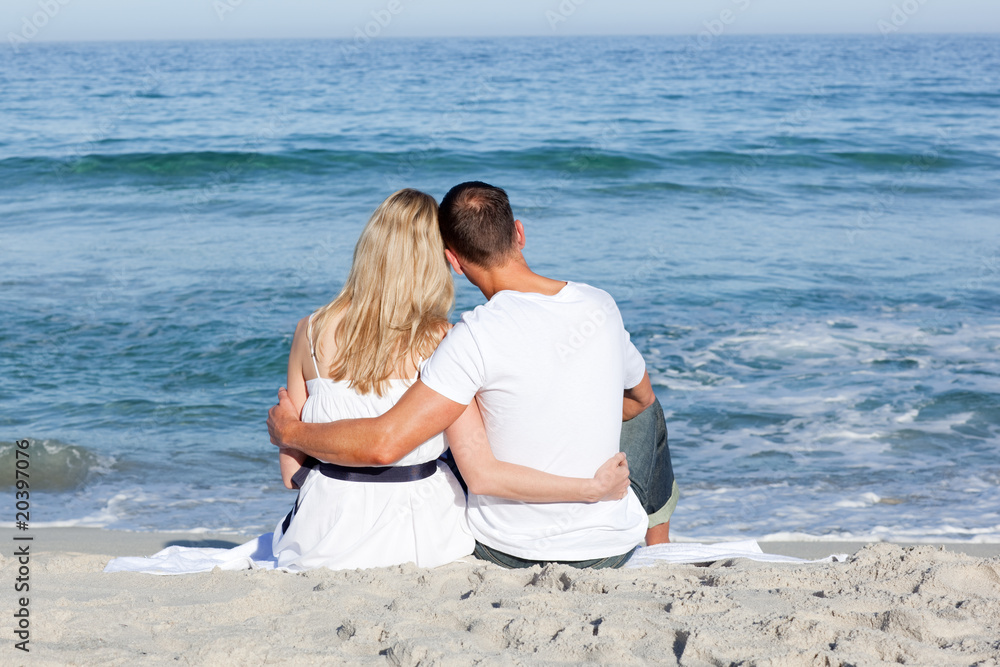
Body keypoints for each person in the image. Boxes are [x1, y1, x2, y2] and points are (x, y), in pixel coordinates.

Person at [269, 182, 677, 570]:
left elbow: (355, 455)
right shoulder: (600, 304)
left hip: (501, 548)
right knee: (648, 412)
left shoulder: (469, 336)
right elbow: (640, 399)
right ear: (519, 232)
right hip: (602, 547)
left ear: (455, 261)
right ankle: (659, 548)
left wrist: (290, 431)